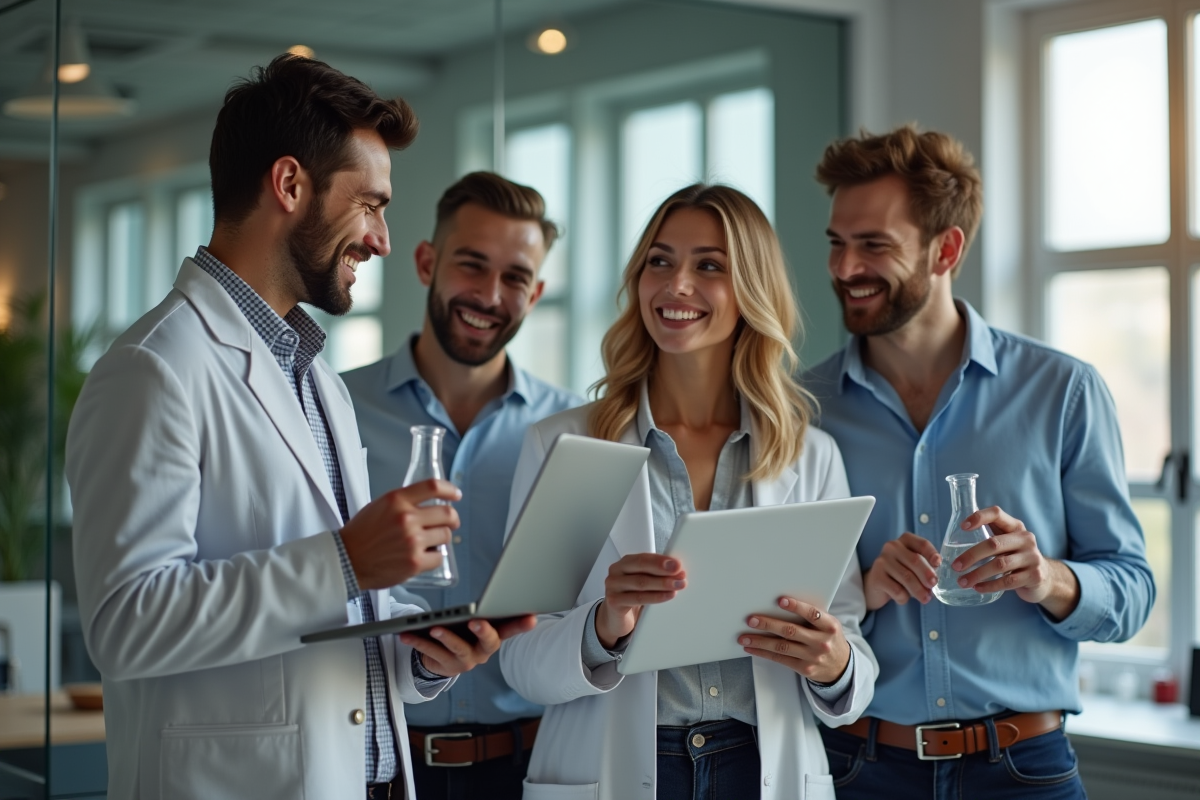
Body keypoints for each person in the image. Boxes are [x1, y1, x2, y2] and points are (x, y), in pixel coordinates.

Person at [65, 55, 533, 800]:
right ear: (289, 185)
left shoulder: (314, 374)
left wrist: (422, 655)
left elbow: (338, 604)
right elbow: (126, 625)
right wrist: (345, 561)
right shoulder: (153, 370)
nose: (381, 238)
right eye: (370, 204)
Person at [805, 125, 1156, 800]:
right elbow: (777, 600)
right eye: (837, 243)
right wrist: (858, 587)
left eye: (873, 245)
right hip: (856, 770)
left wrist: (1049, 578)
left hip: (1024, 772)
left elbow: (1133, 588)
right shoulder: (801, 408)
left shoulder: (1062, 391)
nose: (844, 268)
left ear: (946, 248)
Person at [498, 184, 877, 800]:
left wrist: (834, 665)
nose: (676, 285)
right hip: (618, 766)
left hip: (762, 770)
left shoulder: (808, 454)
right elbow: (518, 659)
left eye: (709, 265)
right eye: (659, 261)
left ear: (751, 288)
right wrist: (605, 624)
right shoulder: (567, 445)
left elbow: (848, 639)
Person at [341, 171, 582, 799]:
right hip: (376, 762)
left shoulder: (575, 431)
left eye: (515, 278)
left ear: (537, 293)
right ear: (426, 262)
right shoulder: (334, 409)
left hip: (532, 765)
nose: (490, 294)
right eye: (471, 266)